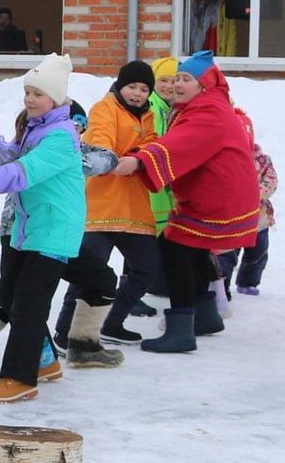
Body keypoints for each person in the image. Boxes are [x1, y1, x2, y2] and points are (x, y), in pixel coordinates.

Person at [0, 55, 104, 403]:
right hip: (29, 227)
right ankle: (45, 363)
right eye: (28, 92)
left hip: (53, 231)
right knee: (14, 298)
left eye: (38, 94)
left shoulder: (62, 136)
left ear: (57, 98)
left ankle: (20, 378)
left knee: (31, 304)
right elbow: (11, 154)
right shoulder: (38, 126)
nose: (30, 99)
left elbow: (23, 172)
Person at [110, 51, 262, 354]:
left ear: (204, 85)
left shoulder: (209, 111)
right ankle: (205, 316)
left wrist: (140, 161)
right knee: (191, 250)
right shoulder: (208, 105)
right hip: (217, 194)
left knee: (176, 248)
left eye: (186, 79)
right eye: (176, 78)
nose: (178, 84)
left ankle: (181, 329)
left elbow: (181, 143)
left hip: (217, 199)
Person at [58, 61, 162, 346]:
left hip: (135, 210)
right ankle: (64, 332)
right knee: (88, 272)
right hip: (101, 207)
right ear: (120, 86)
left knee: (148, 267)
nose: (138, 94)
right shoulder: (104, 109)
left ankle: (111, 322)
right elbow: (101, 144)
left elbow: (154, 145)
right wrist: (124, 159)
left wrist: (139, 159)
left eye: (144, 89)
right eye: (132, 86)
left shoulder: (149, 116)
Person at [216, 137, 278, 299]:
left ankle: (248, 282)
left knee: (258, 252)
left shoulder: (263, 159)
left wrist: (252, 193)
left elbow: (271, 181)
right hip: (235, 219)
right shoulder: (226, 157)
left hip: (259, 219)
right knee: (228, 254)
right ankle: (223, 285)